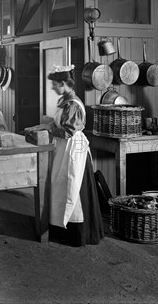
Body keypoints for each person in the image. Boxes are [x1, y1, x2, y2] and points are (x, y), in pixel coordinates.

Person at [25, 65, 104, 246]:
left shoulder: (74, 105)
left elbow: (67, 132)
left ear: (63, 83)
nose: (52, 87)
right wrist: (42, 127)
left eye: (54, 84)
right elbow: (56, 125)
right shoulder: (64, 100)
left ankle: (77, 233)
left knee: (72, 185)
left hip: (72, 149)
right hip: (62, 148)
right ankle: (59, 227)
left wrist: (48, 129)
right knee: (59, 185)